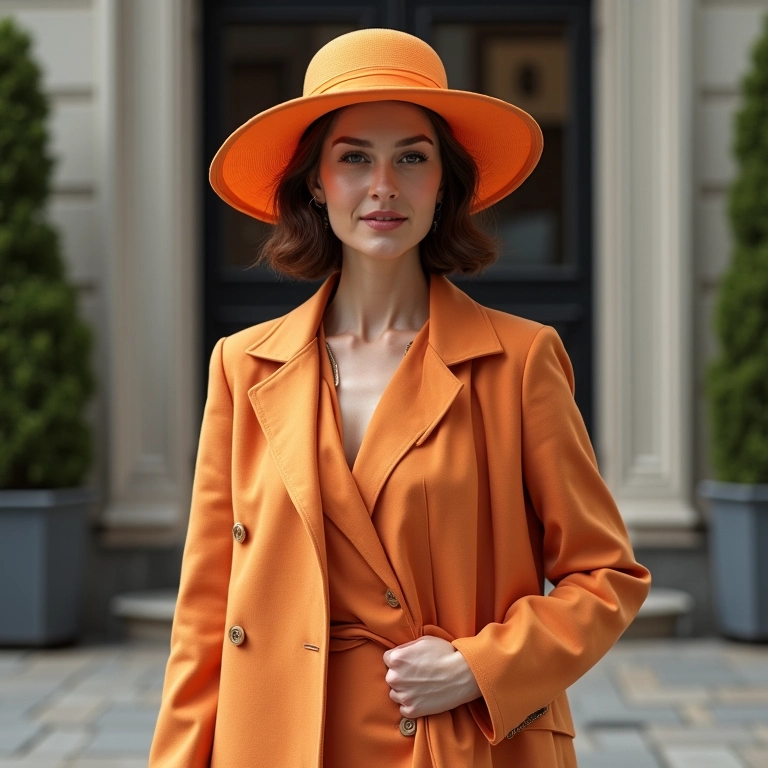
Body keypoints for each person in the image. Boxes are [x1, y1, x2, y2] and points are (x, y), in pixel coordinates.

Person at [148, 28, 651, 768]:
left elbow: (607, 576)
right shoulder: (243, 366)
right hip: (279, 739)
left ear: (443, 182)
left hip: (455, 740)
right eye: (354, 157)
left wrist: (481, 667)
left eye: (412, 158)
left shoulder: (519, 361)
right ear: (315, 181)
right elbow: (203, 612)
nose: (383, 184)